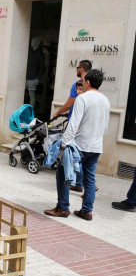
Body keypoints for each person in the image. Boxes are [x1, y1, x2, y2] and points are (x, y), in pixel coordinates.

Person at [44, 69, 110, 221]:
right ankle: (87, 211)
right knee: (90, 179)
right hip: (96, 146)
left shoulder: (83, 98)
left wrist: (64, 144)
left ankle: (62, 207)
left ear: (87, 82)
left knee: (63, 174)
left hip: (79, 145)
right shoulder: (105, 100)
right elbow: (106, 127)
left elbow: (73, 124)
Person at [53, 60, 93, 194]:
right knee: (82, 157)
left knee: (72, 156)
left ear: (81, 69)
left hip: (75, 124)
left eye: (77, 68)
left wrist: (58, 112)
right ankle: (80, 184)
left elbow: (69, 104)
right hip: (88, 126)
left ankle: (76, 184)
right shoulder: (93, 88)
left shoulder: (78, 85)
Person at [25, 38, 44, 107]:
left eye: (33, 41)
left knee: (31, 95)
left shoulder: (39, 54)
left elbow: (42, 67)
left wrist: (38, 78)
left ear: (36, 43)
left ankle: (31, 110)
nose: (31, 43)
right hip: (27, 76)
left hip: (33, 78)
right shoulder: (30, 52)